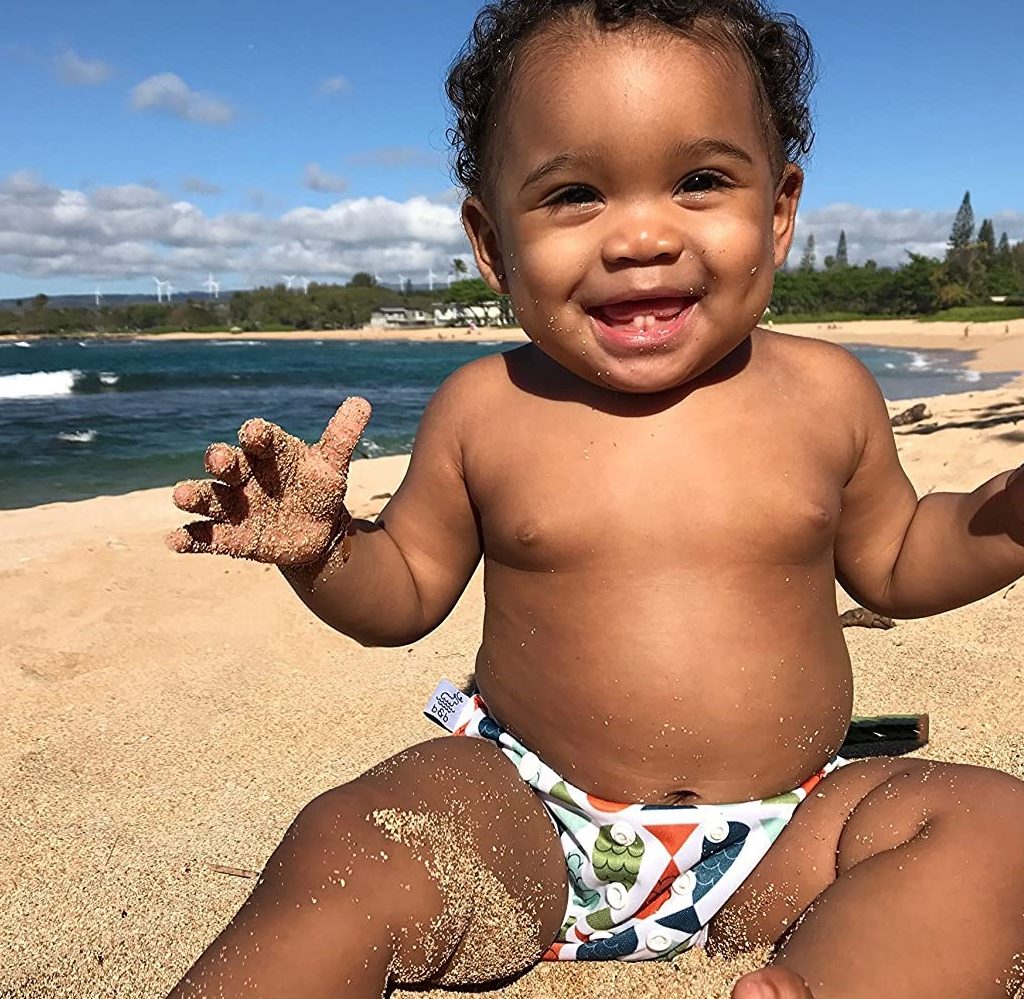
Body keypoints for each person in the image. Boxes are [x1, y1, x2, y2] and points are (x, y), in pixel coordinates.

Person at [165, 2, 1024, 996]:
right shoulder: (485, 409)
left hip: (789, 826)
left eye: (700, 181)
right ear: (492, 244)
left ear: (778, 210)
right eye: (575, 195)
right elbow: (402, 595)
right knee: (349, 838)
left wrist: (1001, 520)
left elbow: (900, 556)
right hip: (530, 812)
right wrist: (325, 550)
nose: (642, 236)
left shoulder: (826, 393)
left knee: (992, 825)